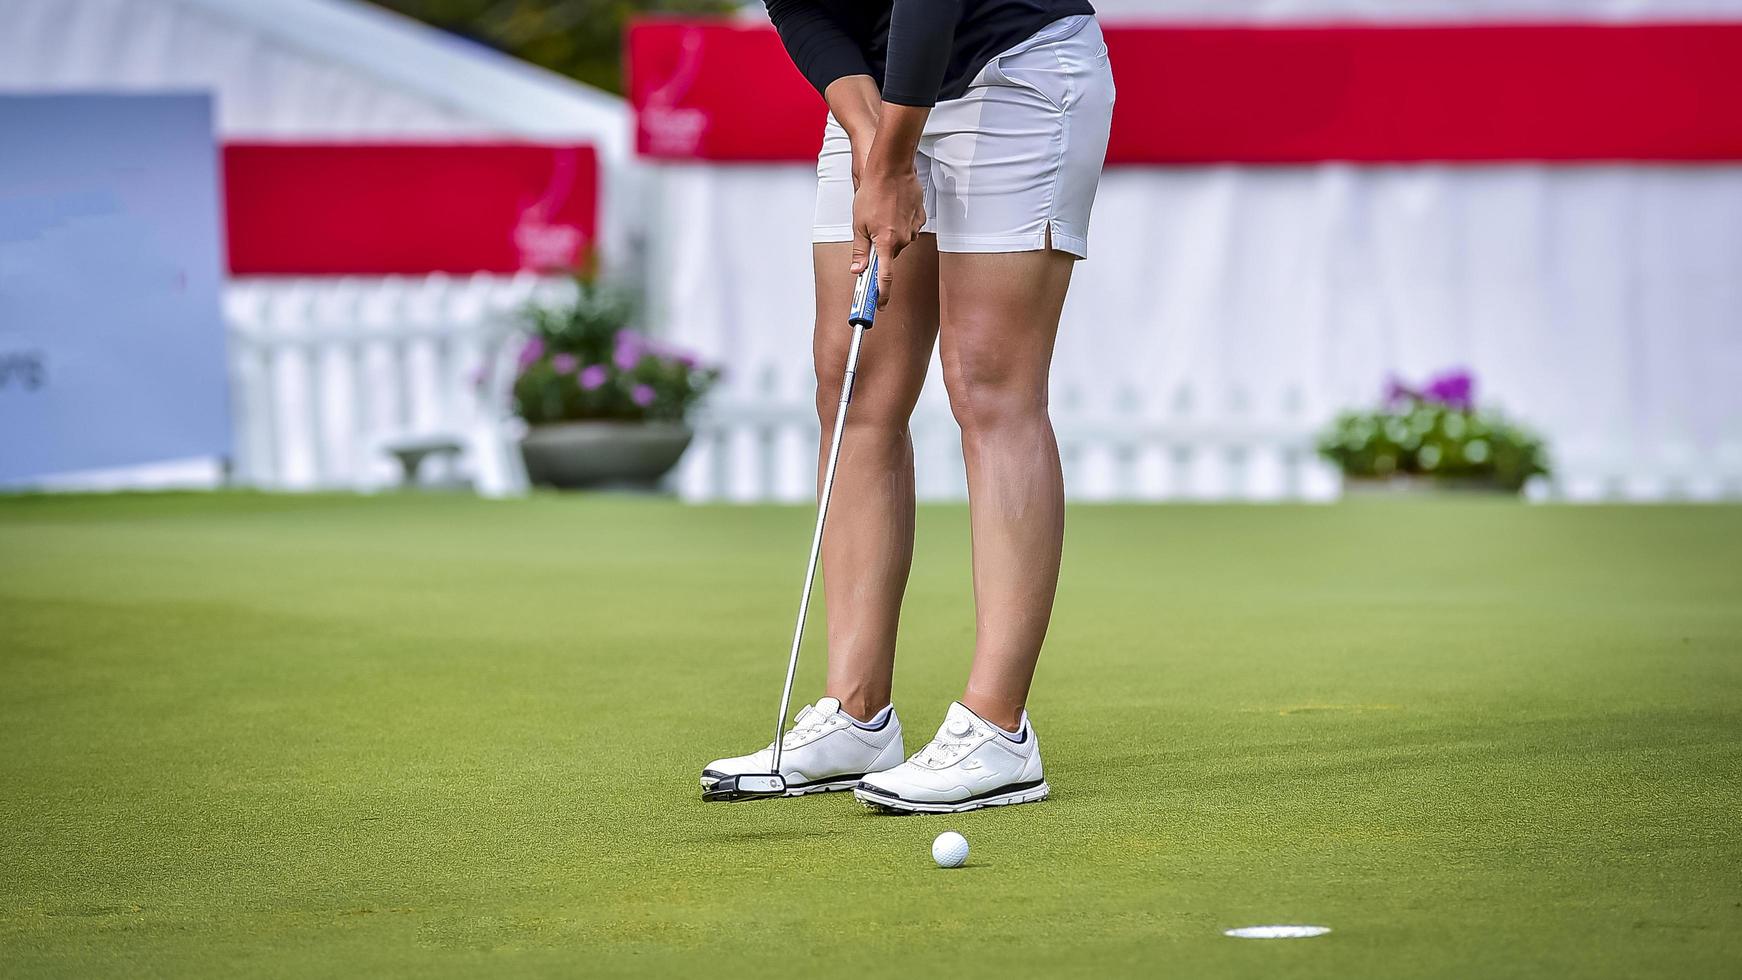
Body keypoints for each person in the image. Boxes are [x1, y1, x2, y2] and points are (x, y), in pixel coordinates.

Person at [701, 0, 1114, 814]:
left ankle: (999, 731)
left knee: (989, 381)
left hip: (1016, 68)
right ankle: (857, 713)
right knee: (853, 381)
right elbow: (801, 8)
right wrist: (870, 139)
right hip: (882, 98)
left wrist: (891, 165)